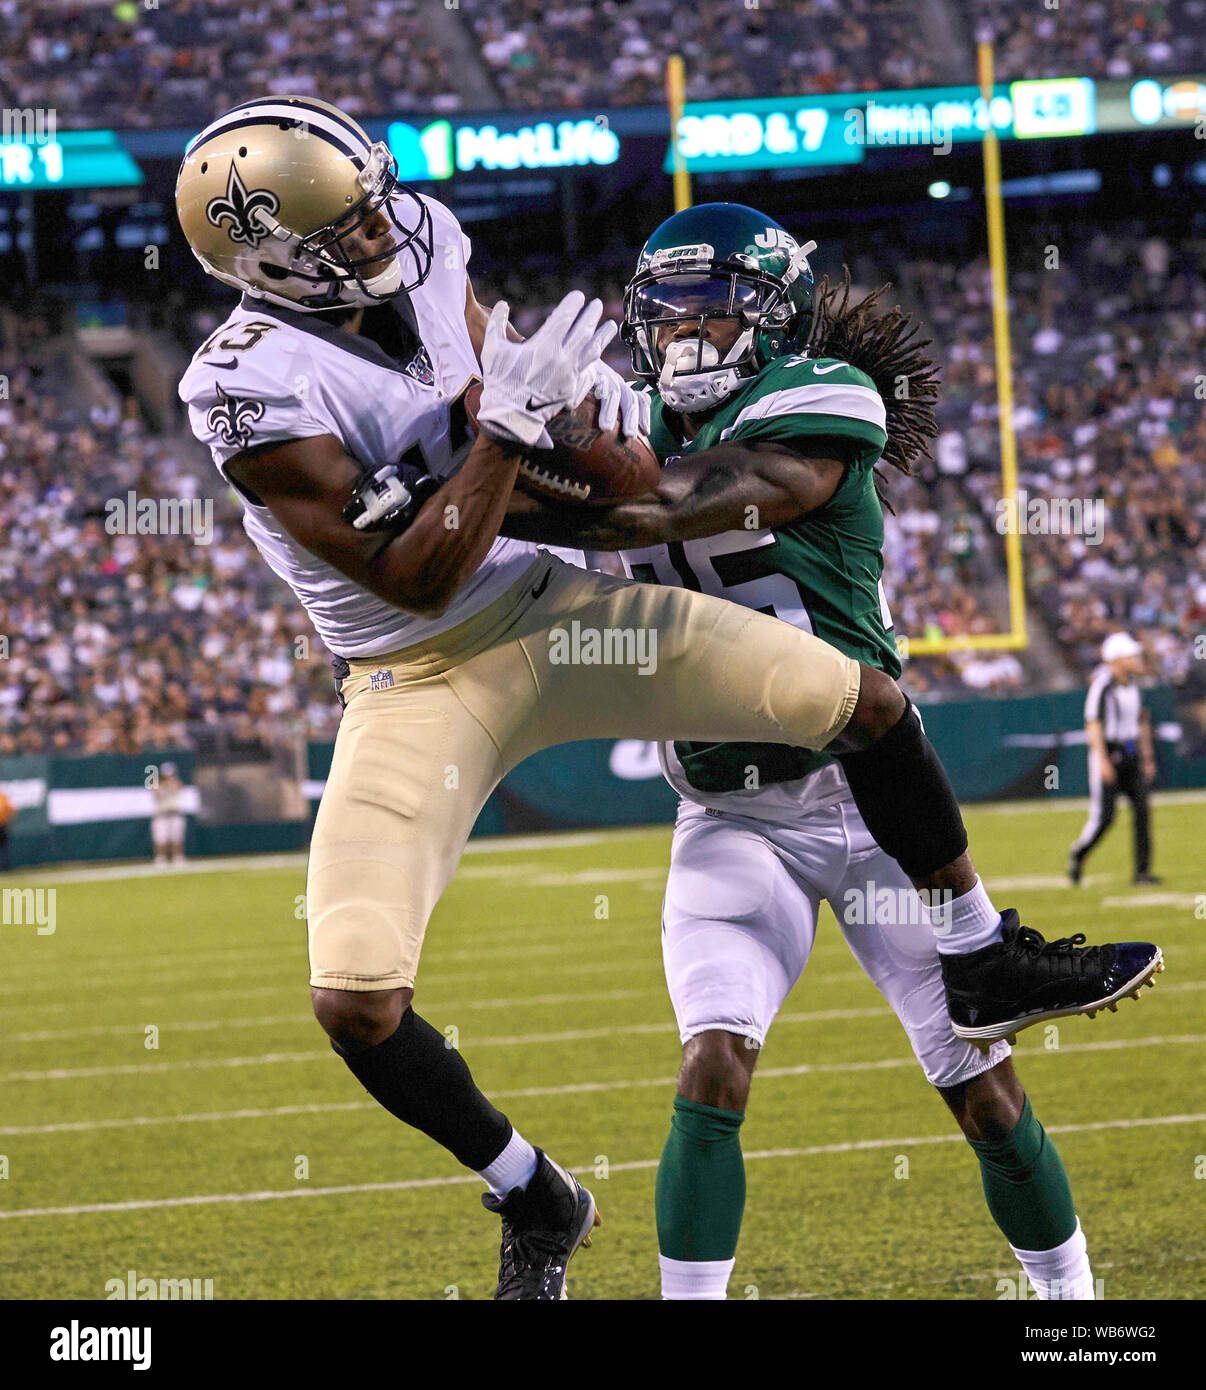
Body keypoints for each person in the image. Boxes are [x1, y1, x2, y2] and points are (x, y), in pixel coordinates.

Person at [176, 105, 1151, 1298]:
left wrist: (552, 435)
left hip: (552, 611)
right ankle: (535, 1189)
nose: (390, 224)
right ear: (275, 257)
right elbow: (417, 574)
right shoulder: (240, 384)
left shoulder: (435, 244)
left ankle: (987, 963)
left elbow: (631, 491)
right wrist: (499, 438)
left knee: (861, 699)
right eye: (355, 219)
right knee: (356, 1000)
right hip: (414, 671)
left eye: (381, 197)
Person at [503, 202, 1164, 1299]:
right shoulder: (633, 423)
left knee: (983, 1092)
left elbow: (664, 509)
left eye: (717, 317)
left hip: (867, 810)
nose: (688, 341)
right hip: (728, 810)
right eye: (668, 318)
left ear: (775, 325)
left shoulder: (821, 402)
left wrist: (512, 470)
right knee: (713, 1063)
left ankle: (1072, 1306)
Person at [1068, 633, 1160, 886]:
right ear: (1117, 659)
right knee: (1105, 818)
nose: (1135, 658)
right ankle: (1078, 853)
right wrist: (1102, 761)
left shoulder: (1132, 685)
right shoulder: (1103, 685)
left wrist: (1147, 757)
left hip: (1130, 754)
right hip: (1109, 753)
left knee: (1142, 810)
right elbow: (1093, 724)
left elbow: (1141, 721)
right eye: (1130, 654)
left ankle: (1142, 872)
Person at [150, 761, 187, 866]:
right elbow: (154, 793)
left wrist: (170, 782)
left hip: (175, 813)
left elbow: (178, 787)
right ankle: (160, 859)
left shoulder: (176, 783)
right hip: (162, 815)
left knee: (177, 837)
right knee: (160, 838)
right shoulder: (157, 784)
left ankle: (177, 857)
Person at [0, 787, 14, 872]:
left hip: (2, 825)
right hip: (3, 825)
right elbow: (11, 809)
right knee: (4, 848)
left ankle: (6, 867)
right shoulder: (3, 797)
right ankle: (6, 867)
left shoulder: (3, 797)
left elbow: (11, 809)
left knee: (4, 848)